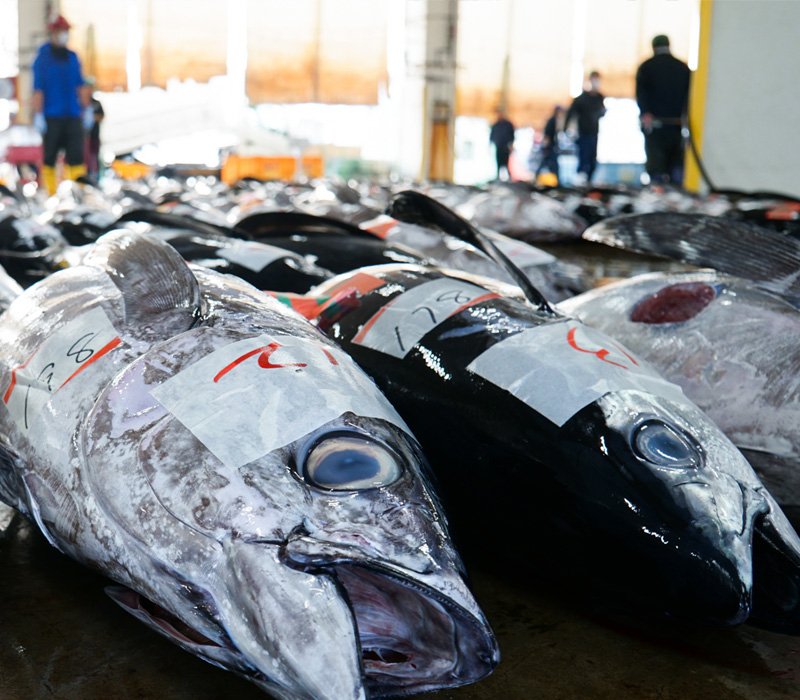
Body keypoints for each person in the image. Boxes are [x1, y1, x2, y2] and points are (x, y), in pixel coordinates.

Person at [31, 14, 89, 195]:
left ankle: (76, 193)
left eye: (66, 31)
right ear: (53, 33)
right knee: (50, 157)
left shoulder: (72, 57)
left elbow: (81, 86)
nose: (64, 35)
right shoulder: (43, 58)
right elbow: (38, 90)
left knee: (76, 157)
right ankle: (52, 194)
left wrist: (86, 110)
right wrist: (38, 115)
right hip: (52, 117)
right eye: (61, 31)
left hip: (72, 115)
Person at [636, 34, 691, 184]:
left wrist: (645, 114)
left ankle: (658, 194)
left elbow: (641, 94)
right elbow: (690, 97)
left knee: (656, 168)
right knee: (676, 168)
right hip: (678, 126)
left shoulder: (647, 67)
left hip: (656, 126)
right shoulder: (682, 67)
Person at [565, 71, 605, 185]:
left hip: (594, 132)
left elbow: (602, 113)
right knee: (583, 156)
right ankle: (580, 177)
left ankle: (589, 180)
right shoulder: (581, 99)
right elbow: (570, 114)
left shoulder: (599, 98)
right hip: (582, 133)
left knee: (592, 158)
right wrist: (566, 130)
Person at [536, 105, 564, 184]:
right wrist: (546, 145)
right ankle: (556, 180)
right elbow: (547, 134)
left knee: (549, 163)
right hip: (550, 146)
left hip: (552, 145)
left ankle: (556, 180)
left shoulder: (556, 120)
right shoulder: (552, 121)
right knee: (548, 162)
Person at [83, 82, 104, 182]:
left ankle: (96, 177)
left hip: (94, 135)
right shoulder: (81, 102)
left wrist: (92, 118)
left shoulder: (96, 103)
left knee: (94, 156)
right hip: (83, 137)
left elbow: (102, 115)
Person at [489, 107, 515, 181]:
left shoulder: (508, 125)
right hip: (498, 146)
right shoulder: (496, 125)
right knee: (499, 163)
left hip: (505, 147)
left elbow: (512, 135)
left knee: (506, 163)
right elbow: (492, 136)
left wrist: (511, 145)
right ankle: (498, 178)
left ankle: (509, 178)